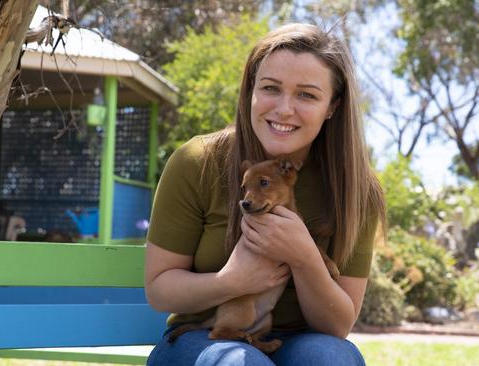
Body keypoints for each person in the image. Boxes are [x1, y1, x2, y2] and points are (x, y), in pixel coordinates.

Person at [145, 23, 386, 366]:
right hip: (202, 340)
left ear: (332, 106)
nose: (284, 109)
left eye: (307, 95)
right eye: (271, 88)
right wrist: (233, 281)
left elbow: (336, 325)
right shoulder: (197, 162)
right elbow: (159, 290)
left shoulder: (356, 189)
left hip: (305, 341)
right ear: (250, 92)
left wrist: (304, 256)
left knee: (332, 359)